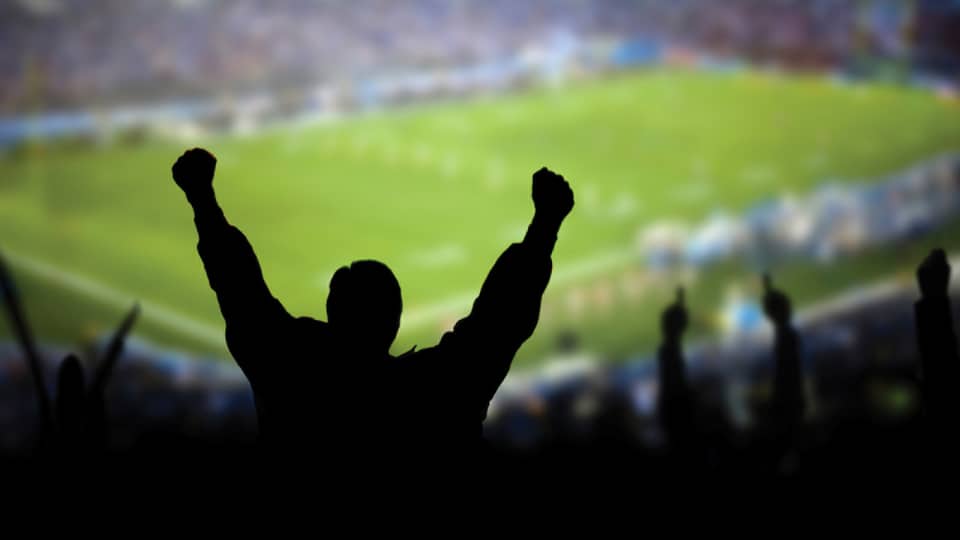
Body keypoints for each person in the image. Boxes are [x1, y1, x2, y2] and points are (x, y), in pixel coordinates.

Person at [172, 148, 574, 458]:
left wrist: (203, 200)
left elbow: (240, 291)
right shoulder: (437, 390)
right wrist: (545, 225)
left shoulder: (288, 369)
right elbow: (497, 325)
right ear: (395, 321)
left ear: (331, 314)